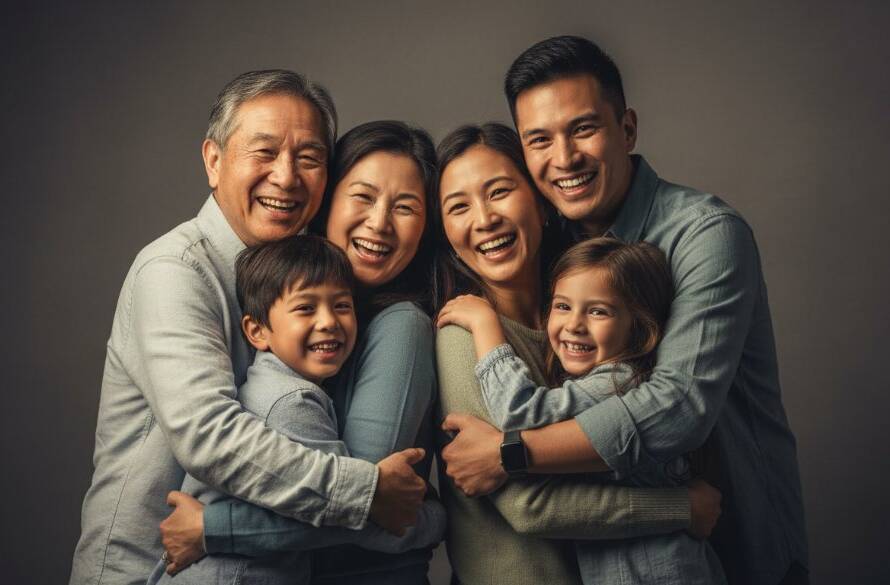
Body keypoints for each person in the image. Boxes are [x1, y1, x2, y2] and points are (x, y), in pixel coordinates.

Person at [439, 36, 808, 585]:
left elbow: (679, 407)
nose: (564, 159)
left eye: (583, 129)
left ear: (627, 129)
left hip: (736, 544)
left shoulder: (704, 234)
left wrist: (510, 453)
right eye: (539, 140)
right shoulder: (552, 247)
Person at [70, 72, 426, 585]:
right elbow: (209, 435)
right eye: (264, 152)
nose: (286, 177)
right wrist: (368, 492)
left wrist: (416, 510)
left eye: (308, 158)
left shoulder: (304, 285)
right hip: (145, 567)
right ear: (213, 161)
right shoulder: (175, 270)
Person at [433, 122, 723, 585]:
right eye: (458, 206)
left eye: (499, 192)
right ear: (446, 230)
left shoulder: (577, 325)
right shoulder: (463, 336)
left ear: (541, 204)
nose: (484, 219)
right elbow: (529, 504)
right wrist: (681, 507)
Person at [156, 121, 444, 584]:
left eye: (406, 207)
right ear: (328, 201)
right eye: (363, 197)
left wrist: (213, 528)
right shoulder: (294, 321)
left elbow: (369, 507)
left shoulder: (400, 326)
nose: (379, 223)